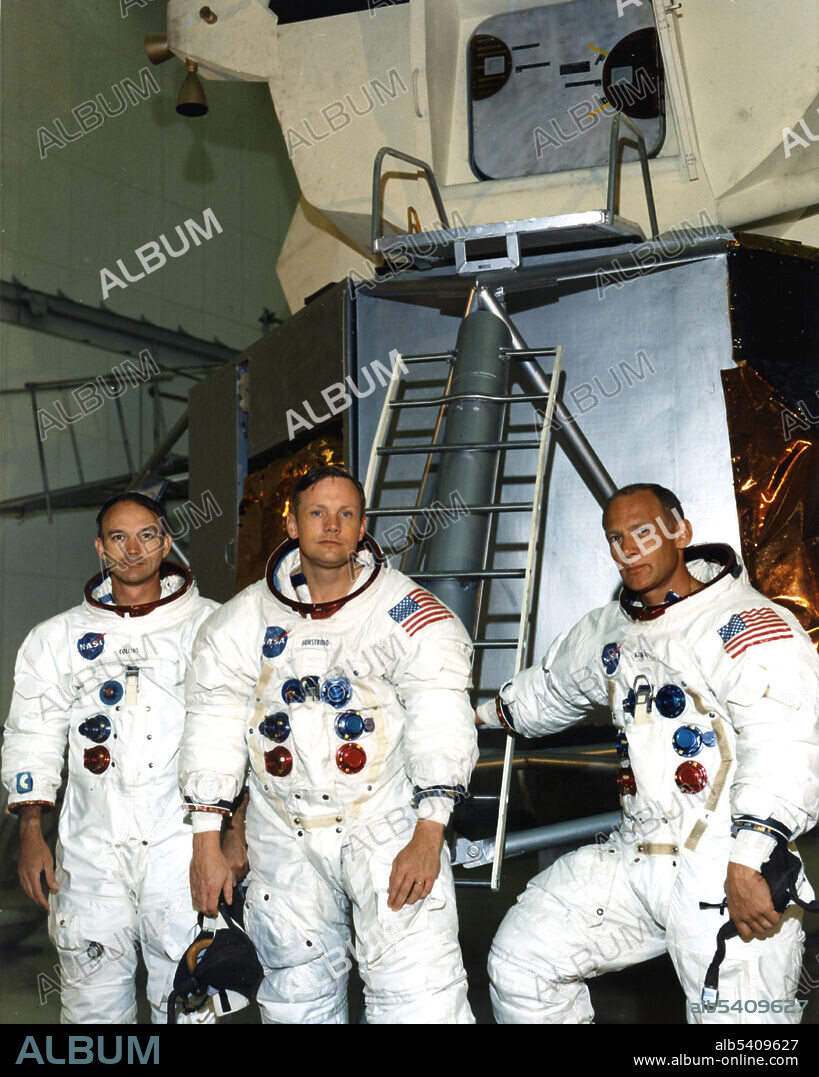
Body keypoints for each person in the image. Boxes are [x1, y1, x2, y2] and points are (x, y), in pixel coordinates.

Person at [478, 483, 819, 1024]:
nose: (628, 551)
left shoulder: (745, 626)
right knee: (524, 961)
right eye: (616, 539)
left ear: (680, 533)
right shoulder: (609, 630)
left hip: (725, 862)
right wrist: (475, 713)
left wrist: (753, 856)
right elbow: (547, 693)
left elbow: (787, 741)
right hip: (639, 855)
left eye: (643, 533)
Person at [180, 465, 477, 1023]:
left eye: (346, 515)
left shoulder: (406, 613)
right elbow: (212, 724)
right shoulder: (240, 622)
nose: (332, 526)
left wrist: (430, 829)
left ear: (363, 526)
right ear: (291, 523)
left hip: (385, 828)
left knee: (421, 998)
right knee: (297, 1002)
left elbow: (443, 715)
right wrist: (208, 840)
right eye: (317, 513)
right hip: (284, 837)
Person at [0, 493, 238, 1024]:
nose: (133, 550)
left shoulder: (213, 627)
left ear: (166, 541)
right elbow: (30, 735)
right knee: (90, 1006)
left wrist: (232, 837)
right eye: (118, 538)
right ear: (99, 548)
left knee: (188, 999)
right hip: (91, 849)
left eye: (146, 535)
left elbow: (237, 739)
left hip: (183, 844)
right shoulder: (56, 638)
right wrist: (32, 835)